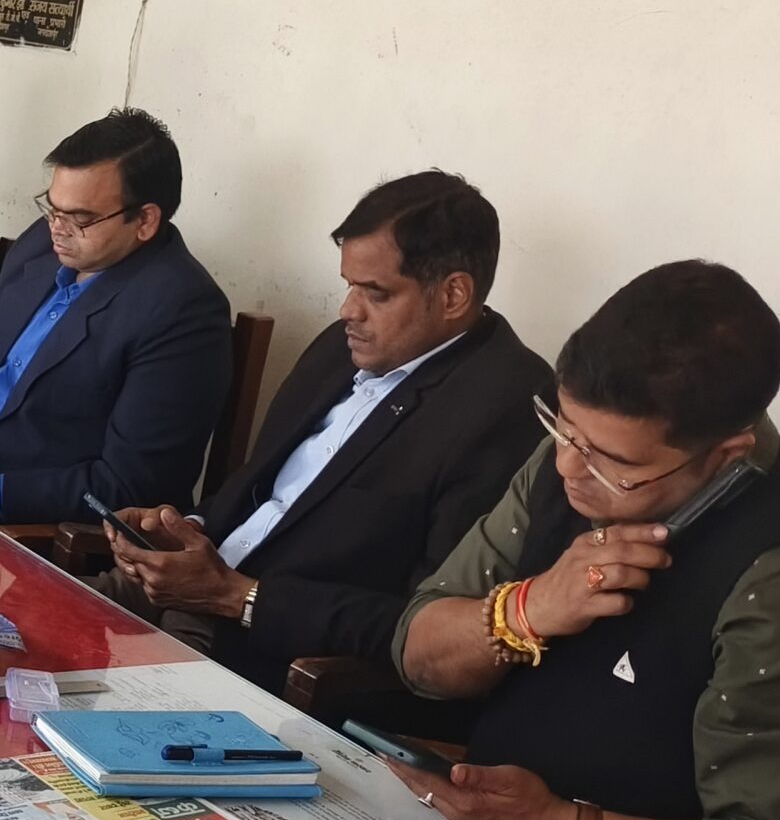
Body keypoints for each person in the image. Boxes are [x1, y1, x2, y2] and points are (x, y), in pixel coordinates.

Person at [385, 261, 780, 820]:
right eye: (563, 427)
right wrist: (526, 610)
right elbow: (417, 653)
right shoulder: (570, 463)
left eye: (618, 465)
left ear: (726, 455)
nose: (567, 467)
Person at [99, 171, 550, 711]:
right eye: (349, 285)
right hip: (180, 595)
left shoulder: (505, 406)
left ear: (454, 294)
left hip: (267, 658)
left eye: (376, 293)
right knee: (19, 630)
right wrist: (179, 530)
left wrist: (239, 597)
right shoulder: (344, 346)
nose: (347, 311)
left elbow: (430, 624)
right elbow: (259, 492)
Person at [0, 108, 231, 525]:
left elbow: (131, 484)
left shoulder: (182, 310)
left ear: (145, 220)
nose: (57, 228)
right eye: (52, 208)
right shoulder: (40, 246)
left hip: (28, 526)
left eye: (80, 218)